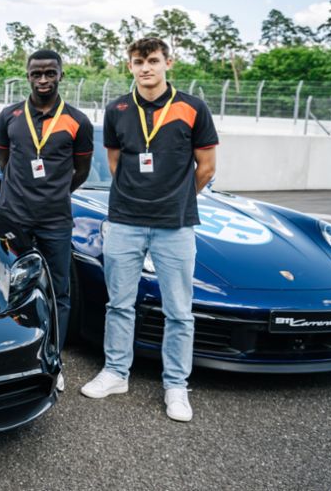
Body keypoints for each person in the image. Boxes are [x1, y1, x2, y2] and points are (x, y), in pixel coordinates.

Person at [80, 37, 217, 423]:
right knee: (119, 304)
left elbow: (207, 167)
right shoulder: (117, 109)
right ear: (130, 66)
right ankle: (115, 373)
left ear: (168, 63)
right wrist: (138, 197)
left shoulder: (193, 108)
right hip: (125, 221)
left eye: (153, 60)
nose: (146, 68)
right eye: (138, 62)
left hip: (175, 225)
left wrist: (176, 198)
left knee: (179, 311)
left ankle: (176, 385)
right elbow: (115, 163)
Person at [0, 49, 93, 392]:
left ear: (61, 75)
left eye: (50, 73)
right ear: (28, 76)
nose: (43, 79)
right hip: (13, 218)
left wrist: (54, 194)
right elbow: (5, 162)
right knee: (8, 286)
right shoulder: (9, 115)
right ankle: (8, 358)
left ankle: (52, 361)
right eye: (37, 73)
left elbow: (81, 171)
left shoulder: (78, 121)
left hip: (55, 221)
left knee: (57, 292)